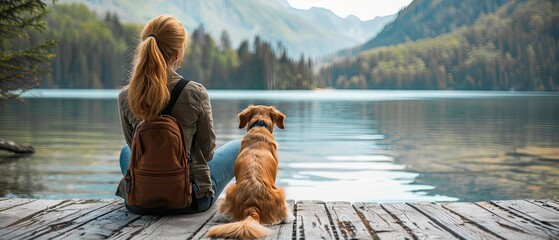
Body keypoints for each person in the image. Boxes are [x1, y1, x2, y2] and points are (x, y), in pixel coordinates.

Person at [115, 15, 240, 214]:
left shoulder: (125, 96)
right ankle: (247, 200)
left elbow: (135, 149)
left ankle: (146, 190)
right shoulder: (195, 92)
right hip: (191, 199)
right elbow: (207, 153)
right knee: (240, 146)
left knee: (125, 151)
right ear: (177, 53)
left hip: (139, 202)